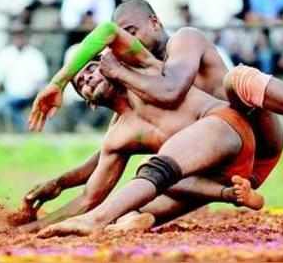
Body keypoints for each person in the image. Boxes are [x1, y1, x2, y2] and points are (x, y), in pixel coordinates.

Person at [22, 53, 264, 234]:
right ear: (89, 102)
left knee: (151, 169)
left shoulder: (148, 76)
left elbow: (112, 31)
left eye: (92, 69)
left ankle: (230, 193)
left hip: (230, 133)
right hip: (209, 179)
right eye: (81, 83)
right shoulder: (118, 137)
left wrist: (59, 81)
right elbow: (89, 198)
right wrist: (35, 227)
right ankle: (235, 195)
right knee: (126, 208)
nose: (87, 78)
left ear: (110, 65)